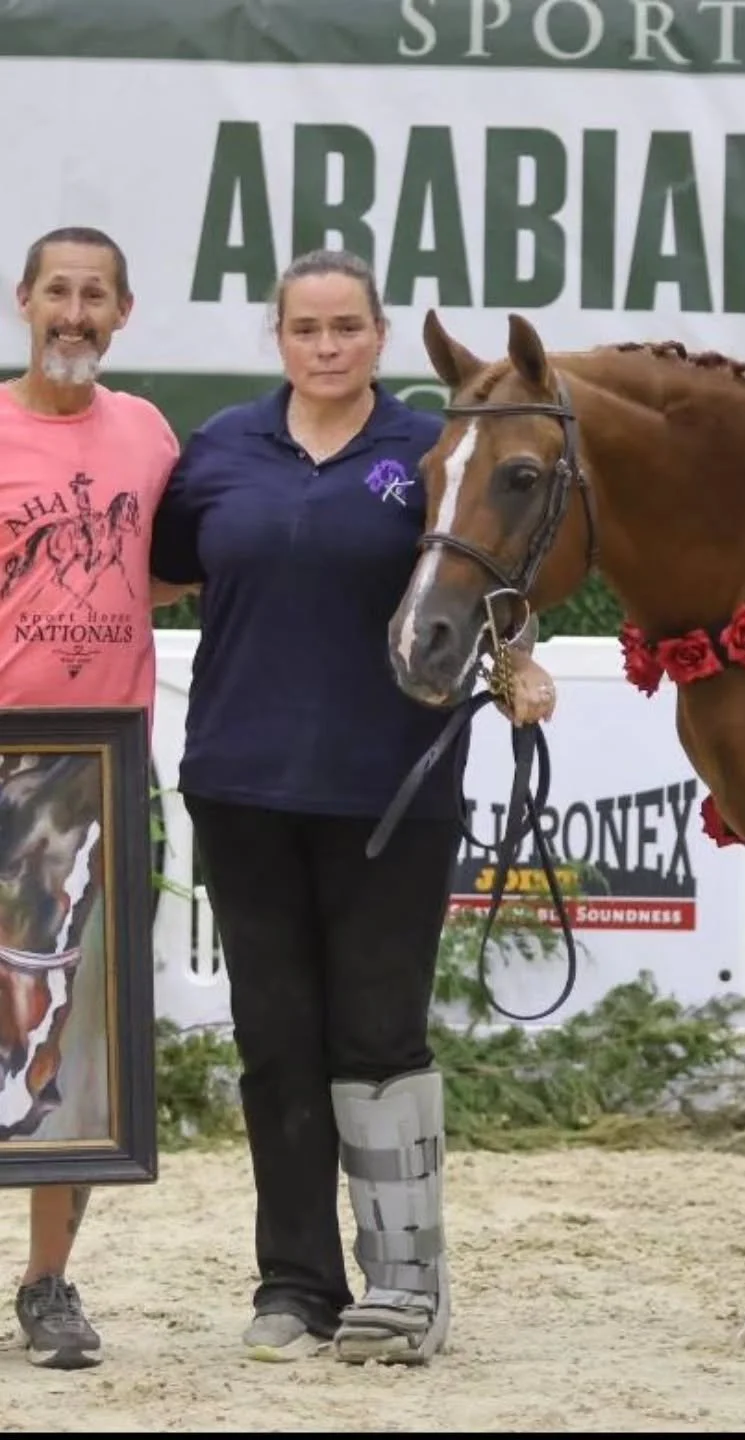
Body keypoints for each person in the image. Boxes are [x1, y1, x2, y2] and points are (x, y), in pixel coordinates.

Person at [147, 248, 559, 1366]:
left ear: (378, 337)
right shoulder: (222, 450)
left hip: (393, 784)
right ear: (279, 339)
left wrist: (516, 660)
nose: (326, 348)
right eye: (305, 329)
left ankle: (404, 1279)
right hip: (240, 778)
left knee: (377, 1037)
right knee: (276, 1042)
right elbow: (151, 574)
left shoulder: (426, 446)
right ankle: (294, 1284)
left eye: (347, 328)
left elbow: (485, 567)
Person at [2, 225, 192, 1368]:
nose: (74, 312)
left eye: (95, 296)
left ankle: (47, 1282)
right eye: (56, 292)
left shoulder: (148, 434)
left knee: (74, 1035)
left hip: (97, 767)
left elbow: (167, 561)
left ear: (123, 313)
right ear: (23, 301)